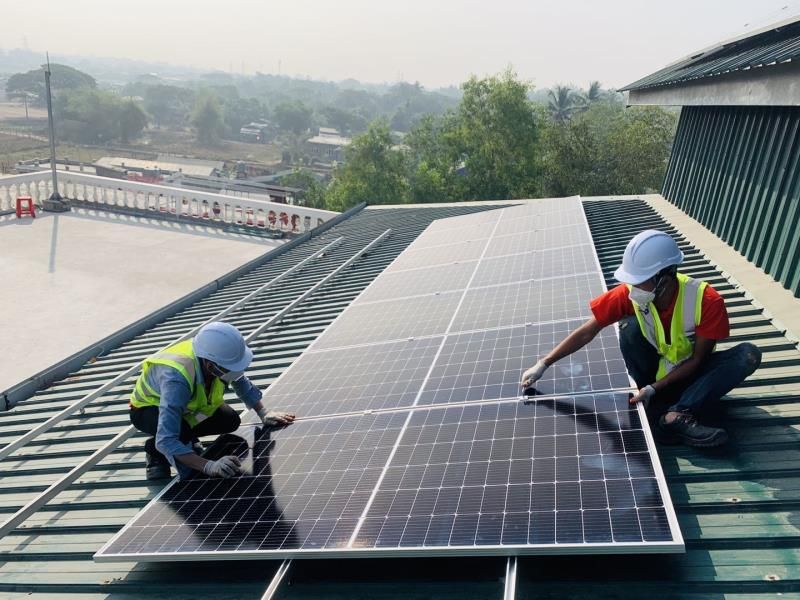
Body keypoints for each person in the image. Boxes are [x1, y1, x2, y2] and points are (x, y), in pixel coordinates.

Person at [521, 230, 762, 447]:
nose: (632, 287)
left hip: (689, 376)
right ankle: (651, 396)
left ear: (664, 279)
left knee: (746, 354)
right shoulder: (630, 295)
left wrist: (655, 389)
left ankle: (676, 415)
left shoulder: (706, 301)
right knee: (629, 325)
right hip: (651, 375)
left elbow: (698, 361)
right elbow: (588, 330)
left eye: (639, 280)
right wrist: (544, 363)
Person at [129, 321, 295, 480]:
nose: (236, 372)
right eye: (231, 368)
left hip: (185, 409)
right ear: (210, 366)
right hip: (148, 409)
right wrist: (208, 466)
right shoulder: (176, 377)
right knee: (176, 438)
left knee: (229, 421)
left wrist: (263, 412)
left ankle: (186, 438)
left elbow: (240, 380)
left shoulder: (214, 357)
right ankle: (155, 449)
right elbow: (167, 439)